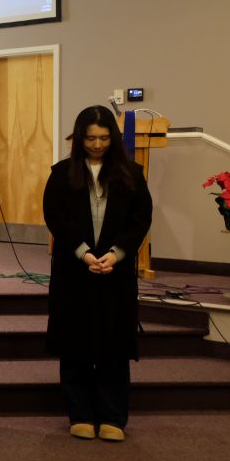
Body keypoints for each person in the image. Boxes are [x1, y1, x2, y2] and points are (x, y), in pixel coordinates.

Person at [43, 105, 152, 442]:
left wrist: (116, 254)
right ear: (79, 138)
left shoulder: (132, 173)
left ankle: (112, 416)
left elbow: (140, 219)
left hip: (115, 272)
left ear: (113, 139)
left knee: (113, 345)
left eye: (104, 138)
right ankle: (80, 413)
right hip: (74, 271)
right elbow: (55, 217)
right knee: (75, 342)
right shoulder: (61, 173)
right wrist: (84, 253)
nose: (97, 145)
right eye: (90, 138)